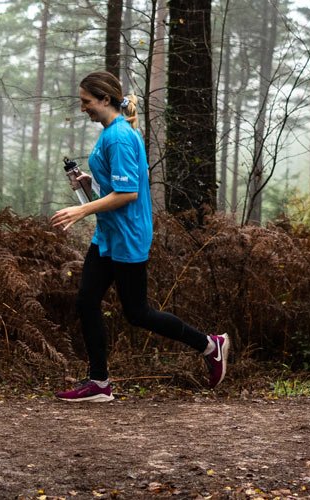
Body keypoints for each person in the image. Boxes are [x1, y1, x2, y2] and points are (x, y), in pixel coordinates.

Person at [50, 71, 229, 402]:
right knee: (87, 300)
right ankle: (99, 383)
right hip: (109, 233)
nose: (82, 108)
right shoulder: (112, 133)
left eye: (86, 102)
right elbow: (120, 184)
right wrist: (90, 182)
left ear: (105, 99)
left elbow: (128, 193)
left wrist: (81, 210)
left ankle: (209, 345)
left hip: (127, 235)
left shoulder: (118, 136)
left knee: (138, 313)